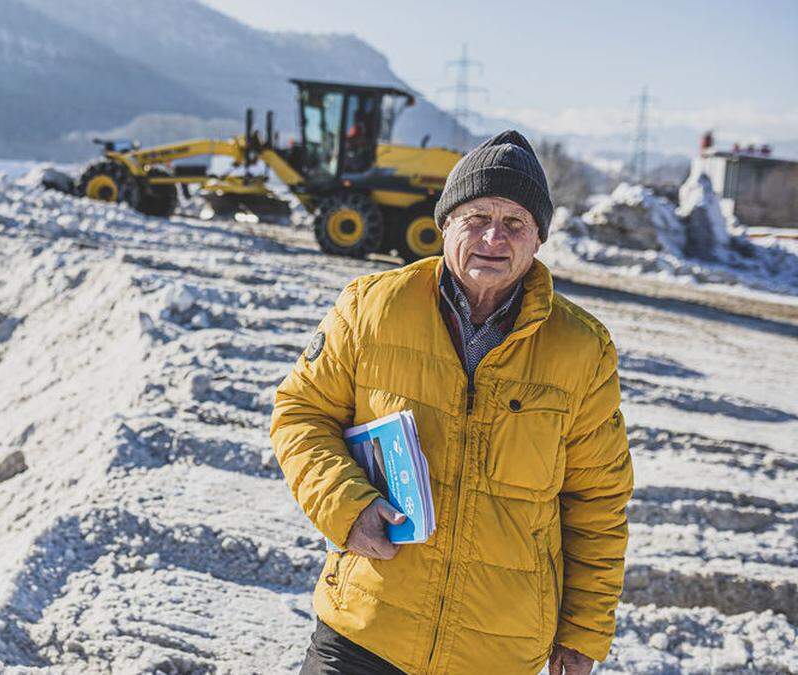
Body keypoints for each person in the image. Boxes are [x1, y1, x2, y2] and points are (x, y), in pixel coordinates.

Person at [271, 130, 634, 674]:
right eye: (476, 218)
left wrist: (583, 633)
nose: (494, 236)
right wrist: (347, 508)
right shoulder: (372, 308)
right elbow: (301, 413)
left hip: (497, 651)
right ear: (445, 224)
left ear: (538, 240)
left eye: (515, 223)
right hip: (365, 628)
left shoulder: (582, 350)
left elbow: (598, 503)